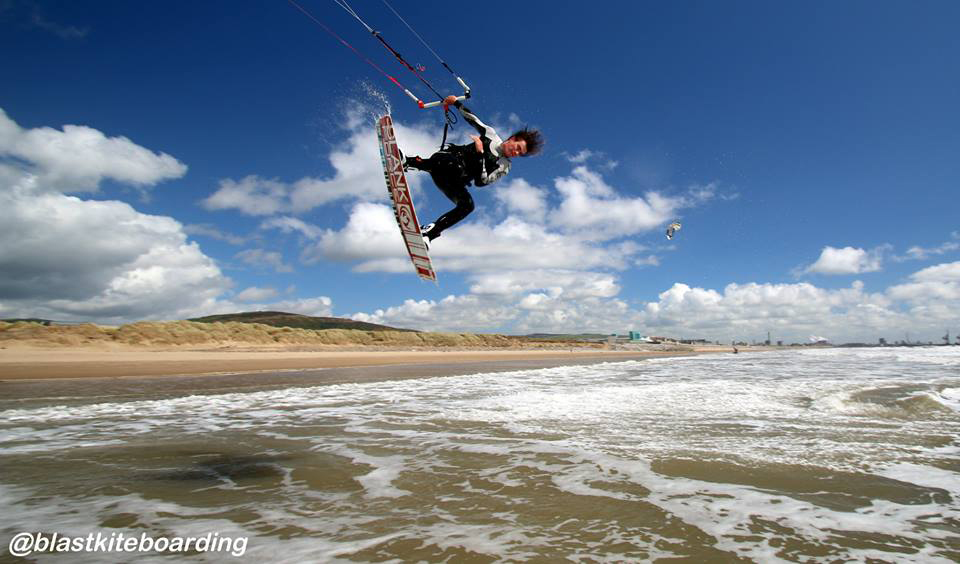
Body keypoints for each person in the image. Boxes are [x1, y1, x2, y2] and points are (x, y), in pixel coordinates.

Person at [404, 95, 543, 242]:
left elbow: (481, 182)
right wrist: (456, 103)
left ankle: (428, 234)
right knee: (454, 165)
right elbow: (472, 118)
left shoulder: (505, 166)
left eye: (520, 154)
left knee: (468, 206)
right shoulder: (491, 135)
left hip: (453, 181)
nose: (516, 153)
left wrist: (480, 154)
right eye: (518, 148)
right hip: (444, 160)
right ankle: (409, 162)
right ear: (513, 139)